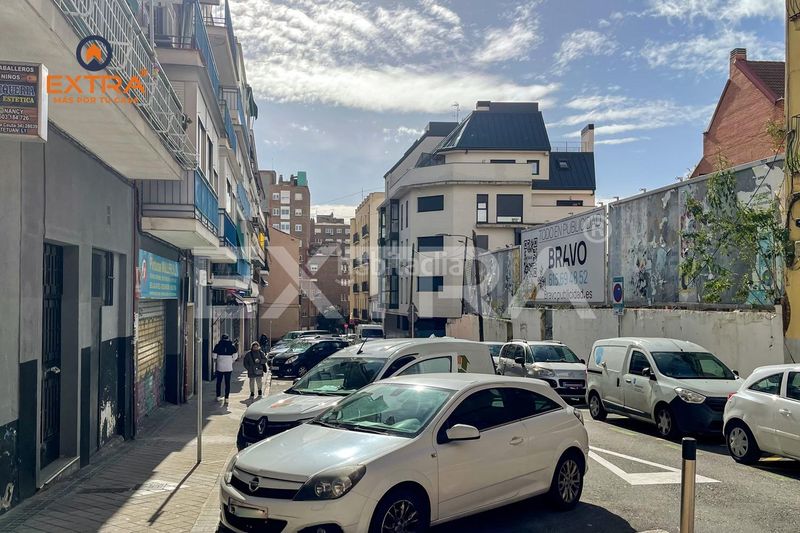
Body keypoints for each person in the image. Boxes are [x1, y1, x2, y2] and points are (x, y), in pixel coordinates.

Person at [212, 334, 238, 402]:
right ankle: (226, 398)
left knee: (219, 382)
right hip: (228, 367)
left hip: (220, 367)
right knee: (227, 383)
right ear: (228, 338)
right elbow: (235, 357)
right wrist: (231, 360)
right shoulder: (232, 346)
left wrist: (217, 360)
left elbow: (214, 356)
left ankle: (218, 396)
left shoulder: (217, 346)